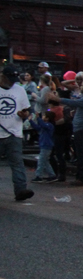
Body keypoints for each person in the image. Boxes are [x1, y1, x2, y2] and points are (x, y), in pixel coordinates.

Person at [52, 80, 83, 186]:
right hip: (81, 129)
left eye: (82, 85)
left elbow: (74, 103)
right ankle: (80, 177)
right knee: (80, 154)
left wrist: (58, 99)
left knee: (82, 155)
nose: (80, 87)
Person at [1, 65, 35, 201]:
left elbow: (26, 109)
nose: (11, 82)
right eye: (9, 79)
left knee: (17, 163)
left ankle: (21, 189)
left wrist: (24, 114)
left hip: (14, 133)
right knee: (16, 163)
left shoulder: (19, 90)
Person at [30, 111, 57, 182]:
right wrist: (31, 121)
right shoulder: (45, 126)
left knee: (41, 161)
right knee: (45, 161)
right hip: (44, 145)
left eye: (44, 116)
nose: (43, 117)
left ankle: (39, 176)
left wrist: (38, 118)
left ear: (48, 118)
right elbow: (37, 127)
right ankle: (52, 175)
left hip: (46, 145)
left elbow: (42, 125)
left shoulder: (49, 125)